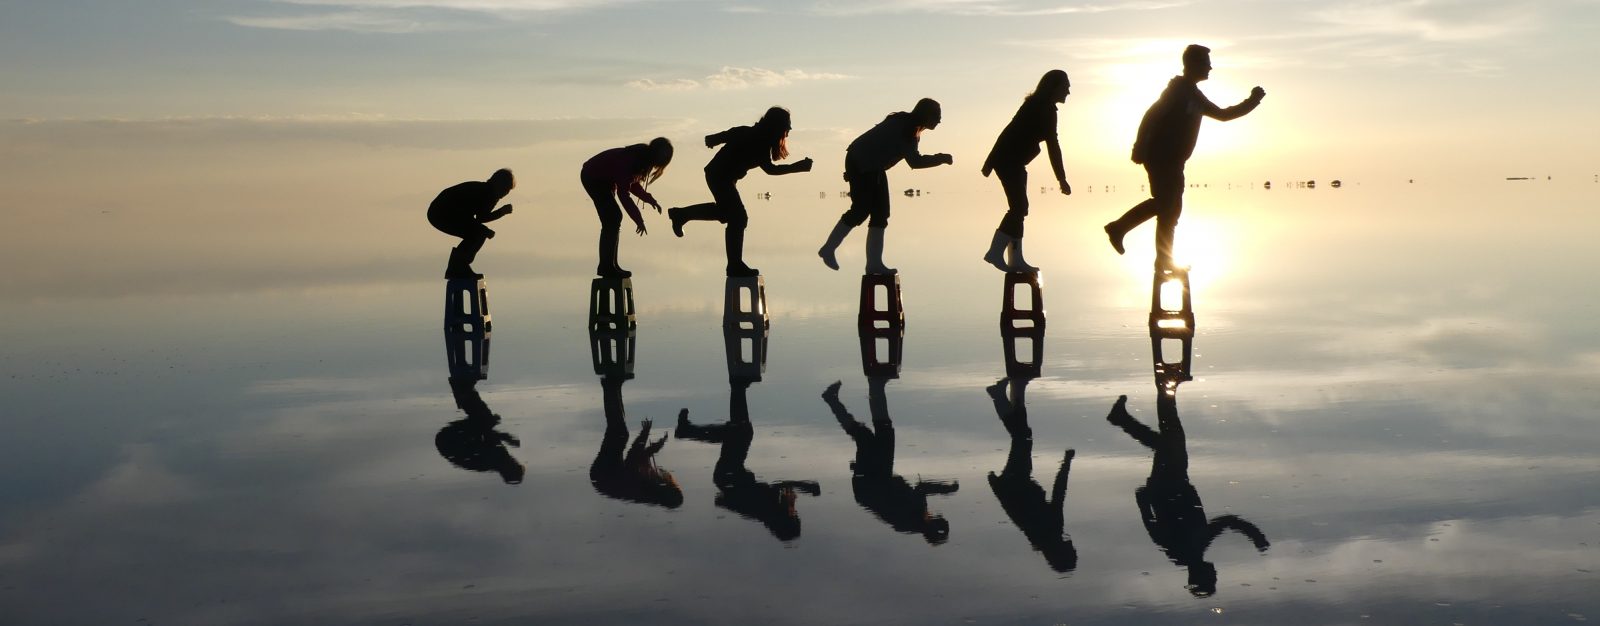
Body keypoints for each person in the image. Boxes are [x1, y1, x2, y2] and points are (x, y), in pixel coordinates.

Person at [1104, 45, 1265, 269]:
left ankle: (1162, 258)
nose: (1210, 67)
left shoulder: (1193, 94)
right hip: (1161, 157)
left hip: (1175, 161)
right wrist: (1139, 146)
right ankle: (1119, 228)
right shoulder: (1178, 91)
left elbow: (1223, 115)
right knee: (1166, 204)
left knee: (1171, 211)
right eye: (1206, 62)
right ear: (1193, 64)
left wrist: (1253, 101)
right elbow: (1151, 115)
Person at [667, 107, 814, 277]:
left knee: (727, 214)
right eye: (787, 127)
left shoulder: (757, 136)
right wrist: (798, 168)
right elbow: (770, 169)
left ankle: (682, 215)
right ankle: (734, 265)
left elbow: (733, 133)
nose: (788, 131)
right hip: (719, 175)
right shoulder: (758, 139)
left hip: (722, 176)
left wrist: (715, 139)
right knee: (738, 217)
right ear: (776, 126)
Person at [817, 99, 953, 275]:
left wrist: (853, 172)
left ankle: (873, 263)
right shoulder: (908, 129)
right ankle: (829, 249)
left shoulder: (907, 125)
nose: (939, 120)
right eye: (937, 116)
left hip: (866, 163)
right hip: (864, 162)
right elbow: (915, 162)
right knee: (861, 210)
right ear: (926, 115)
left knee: (881, 213)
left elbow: (883, 148)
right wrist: (940, 158)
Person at [981, 70, 1072, 273]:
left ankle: (1016, 258)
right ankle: (995, 252)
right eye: (1065, 86)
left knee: (1021, 208)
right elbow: (1051, 145)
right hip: (1008, 161)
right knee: (1019, 207)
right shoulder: (1040, 108)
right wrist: (1062, 178)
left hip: (1015, 162)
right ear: (1053, 87)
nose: (1068, 91)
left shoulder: (1043, 107)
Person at [581, 138, 674, 278]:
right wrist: (639, 220)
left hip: (603, 179)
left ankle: (611, 264)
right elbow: (624, 194)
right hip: (593, 178)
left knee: (613, 219)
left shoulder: (642, 159)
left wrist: (649, 200)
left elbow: (633, 184)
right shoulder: (632, 159)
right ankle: (606, 266)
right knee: (613, 218)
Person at [427, 168, 514, 279]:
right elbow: (482, 217)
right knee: (479, 233)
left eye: (507, 191)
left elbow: (477, 219)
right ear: (498, 184)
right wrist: (502, 212)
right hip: (442, 213)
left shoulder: (486, 190)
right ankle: (458, 267)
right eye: (505, 189)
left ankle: (457, 267)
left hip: (442, 212)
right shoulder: (488, 193)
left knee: (479, 233)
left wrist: (485, 228)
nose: (505, 193)